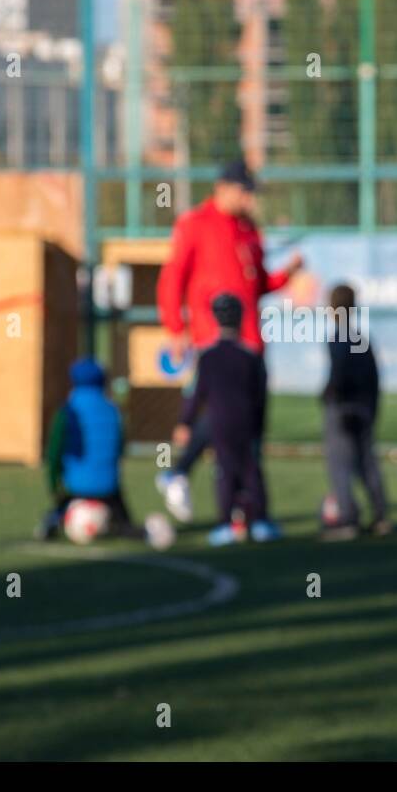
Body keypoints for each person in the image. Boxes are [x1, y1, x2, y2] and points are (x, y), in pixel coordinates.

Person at [155, 160, 302, 521]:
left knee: (250, 424)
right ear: (224, 188)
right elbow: (172, 278)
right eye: (245, 192)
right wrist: (176, 327)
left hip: (253, 343)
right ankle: (179, 471)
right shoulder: (195, 224)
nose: (251, 201)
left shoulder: (248, 230)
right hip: (214, 338)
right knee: (224, 415)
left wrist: (287, 276)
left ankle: (243, 504)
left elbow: (259, 284)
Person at [173, 292, 279, 546]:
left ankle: (225, 525)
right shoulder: (251, 355)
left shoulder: (208, 356)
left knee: (225, 470)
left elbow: (197, 394)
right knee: (251, 469)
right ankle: (261, 521)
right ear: (241, 319)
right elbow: (261, 396)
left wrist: (185, 422)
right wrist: (261, 425)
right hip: (246, 420)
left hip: (219, 421)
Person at [36, 358, 139, 541]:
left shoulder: (67, 411)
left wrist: (54, 485)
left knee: (65, 501)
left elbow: (54, 453)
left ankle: (56, 518)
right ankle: (125, 525)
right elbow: (120, 448)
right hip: (109, 487)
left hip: (76, 487)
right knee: (121, 514)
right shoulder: (113, 410)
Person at [319, 284, 389, 542]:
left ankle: (348, 520)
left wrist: (331, 395)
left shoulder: (338, 338)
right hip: (365, 408)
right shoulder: (362, 338)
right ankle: (381, 516)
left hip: (343, 410)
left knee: (340, 466)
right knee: (367, 463)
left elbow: (339, 374)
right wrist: (371, 408)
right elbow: (374, 378)